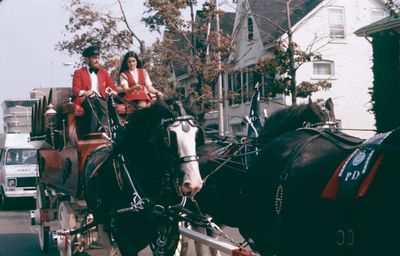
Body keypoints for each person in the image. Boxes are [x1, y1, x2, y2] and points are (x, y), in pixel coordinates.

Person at [72, 45, 117, 133]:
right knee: (96, 103)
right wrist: (85, 92)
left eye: (98, 58)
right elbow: (75, 90)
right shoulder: (79, 72)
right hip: (86, 99)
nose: (97, 60)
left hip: (101, 99)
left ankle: (101, 130)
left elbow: (112, 87)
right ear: (87, 59)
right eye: (94, 58)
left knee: (100, 103)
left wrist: (111, 91)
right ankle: (100, 131)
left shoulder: (103, 72)